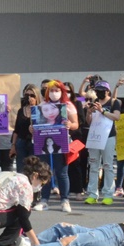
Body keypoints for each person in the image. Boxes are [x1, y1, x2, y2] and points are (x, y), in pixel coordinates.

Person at [33, 81, 77, 213]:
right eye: (51, 90)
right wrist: (32, 127)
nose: (54, 93)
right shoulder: (42, 106)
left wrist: (70, 124)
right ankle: (44, 200)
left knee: (62, 172)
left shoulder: (68, 105)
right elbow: (34, 125)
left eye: (57, 90)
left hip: (61, 141)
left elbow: (76, 124)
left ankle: (65, 200)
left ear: (62, 91)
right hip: (44, 142)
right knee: (44, 171)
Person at [82, 81, 120, 205]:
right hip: (95, 136)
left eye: (102, 90)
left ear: (107, 91)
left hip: (108, 136)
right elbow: (89, 121)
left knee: (108, 165)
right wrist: (88, 112)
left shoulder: (114, 102)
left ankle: (108, 194)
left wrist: (102, 111)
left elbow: (116, 117)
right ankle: (92, 194)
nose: (99, 92)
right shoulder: (95, 102)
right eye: (97, 90)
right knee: (93, 165)